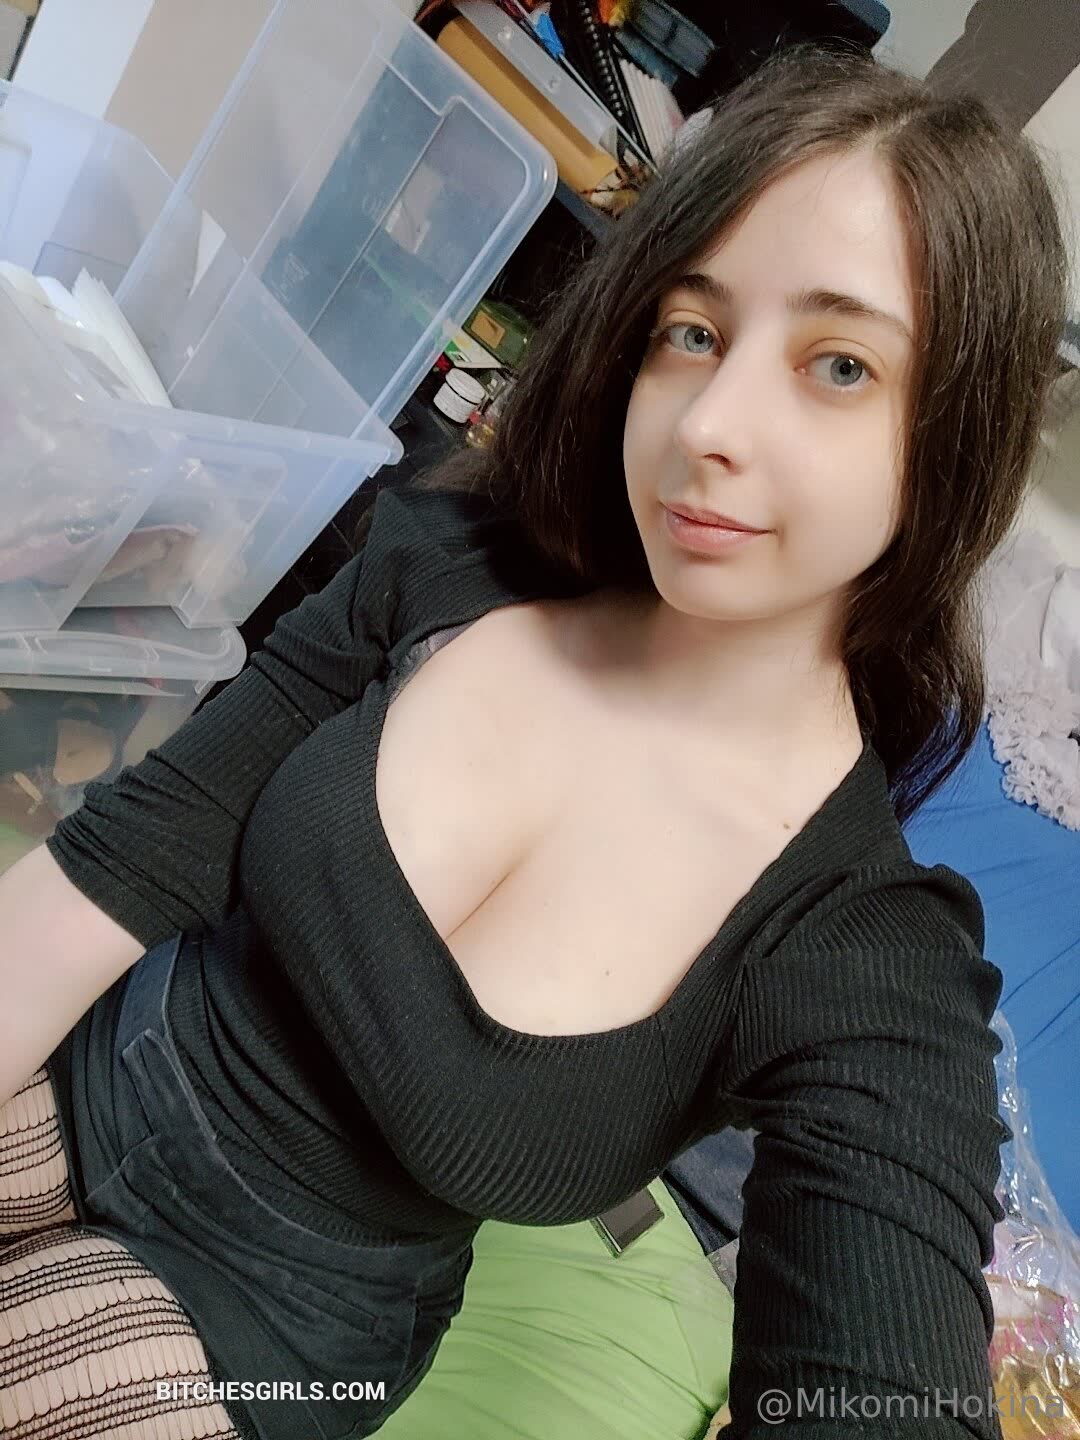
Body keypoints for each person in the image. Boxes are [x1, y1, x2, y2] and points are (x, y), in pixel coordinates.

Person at [0, 39, 1069, 1440]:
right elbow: (119, 868)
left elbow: (879, 1377)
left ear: (953, 439)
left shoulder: (864, 953)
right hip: (94, 1057)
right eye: (695, 332)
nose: (710, 425)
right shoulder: (447, 565)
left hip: (274, 1333)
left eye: (839, 364)